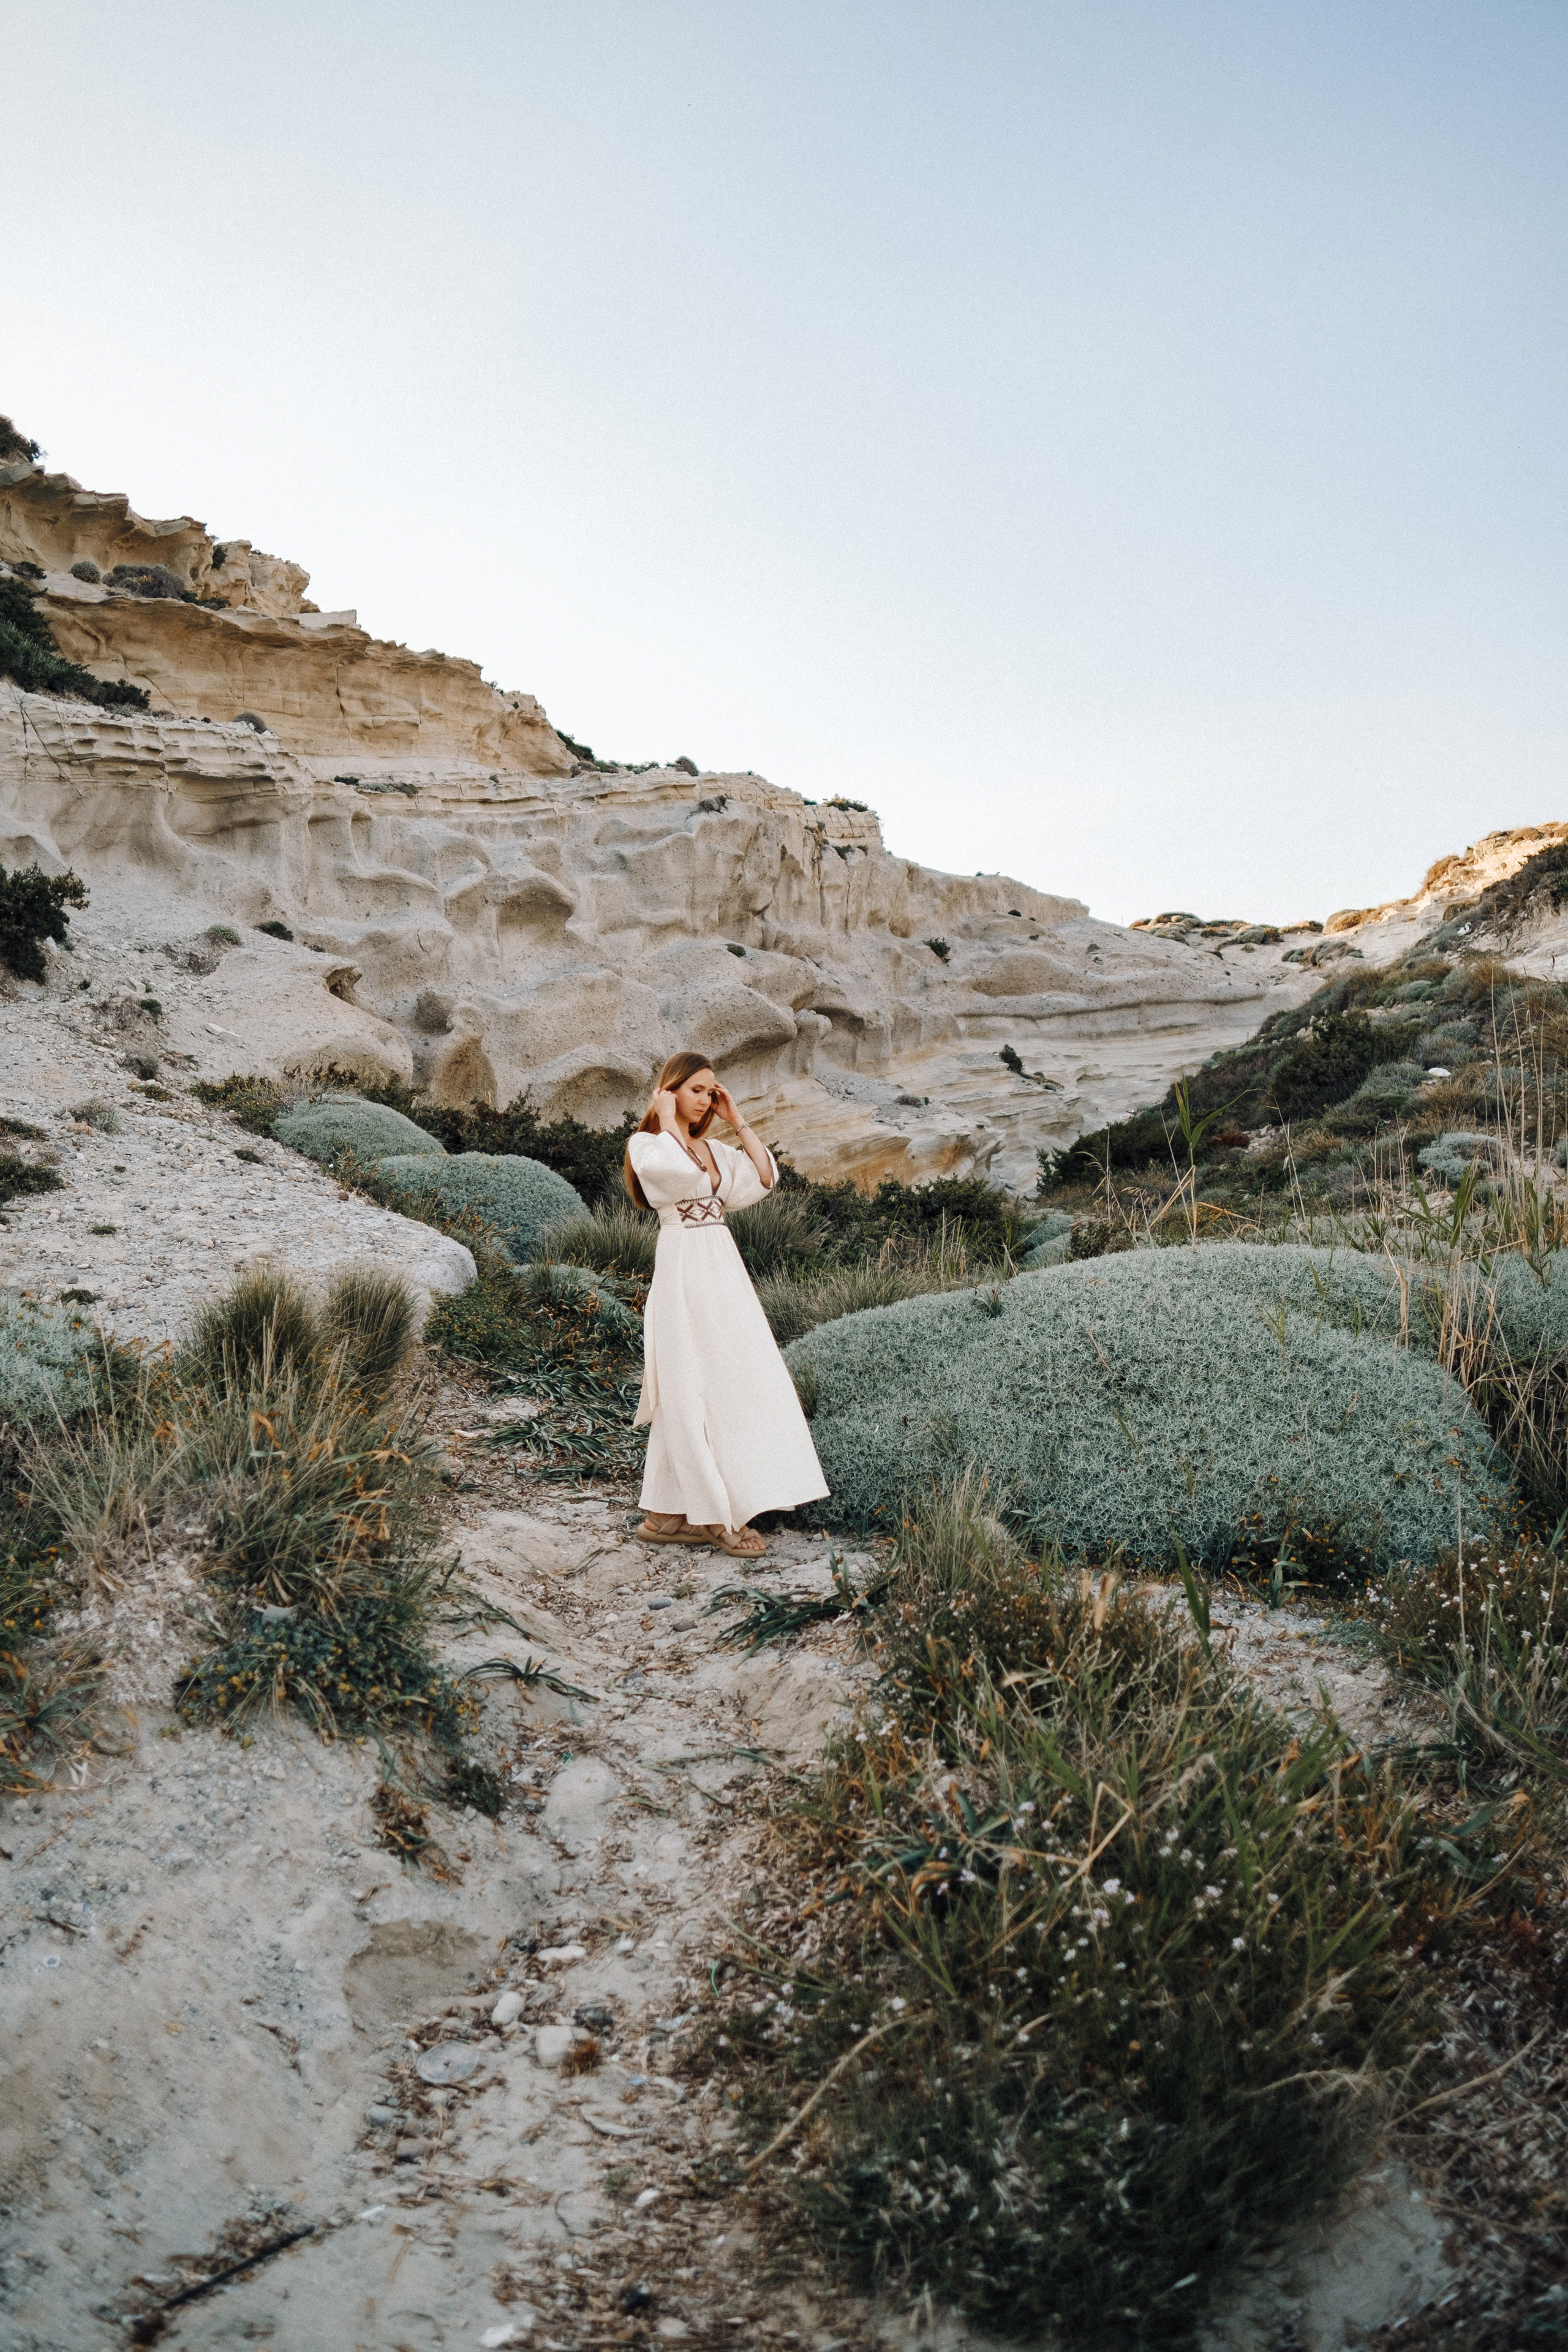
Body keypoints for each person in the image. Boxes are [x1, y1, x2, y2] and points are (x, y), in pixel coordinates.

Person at [624, 1051, 827, 1556]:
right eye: (697, 1090)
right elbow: (673, 1173)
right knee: (691, 1383)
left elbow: (763, 1179)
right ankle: (717, 1515)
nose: (707, 1100)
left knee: (733, 1375)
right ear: (670, 1090)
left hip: (723, 1269)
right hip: (683, 1269)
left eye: (712, 1091)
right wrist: (668, 1119)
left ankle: (666, 1518)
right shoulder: (647, 1143)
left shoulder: (714, 1148)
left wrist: (738, 1122)